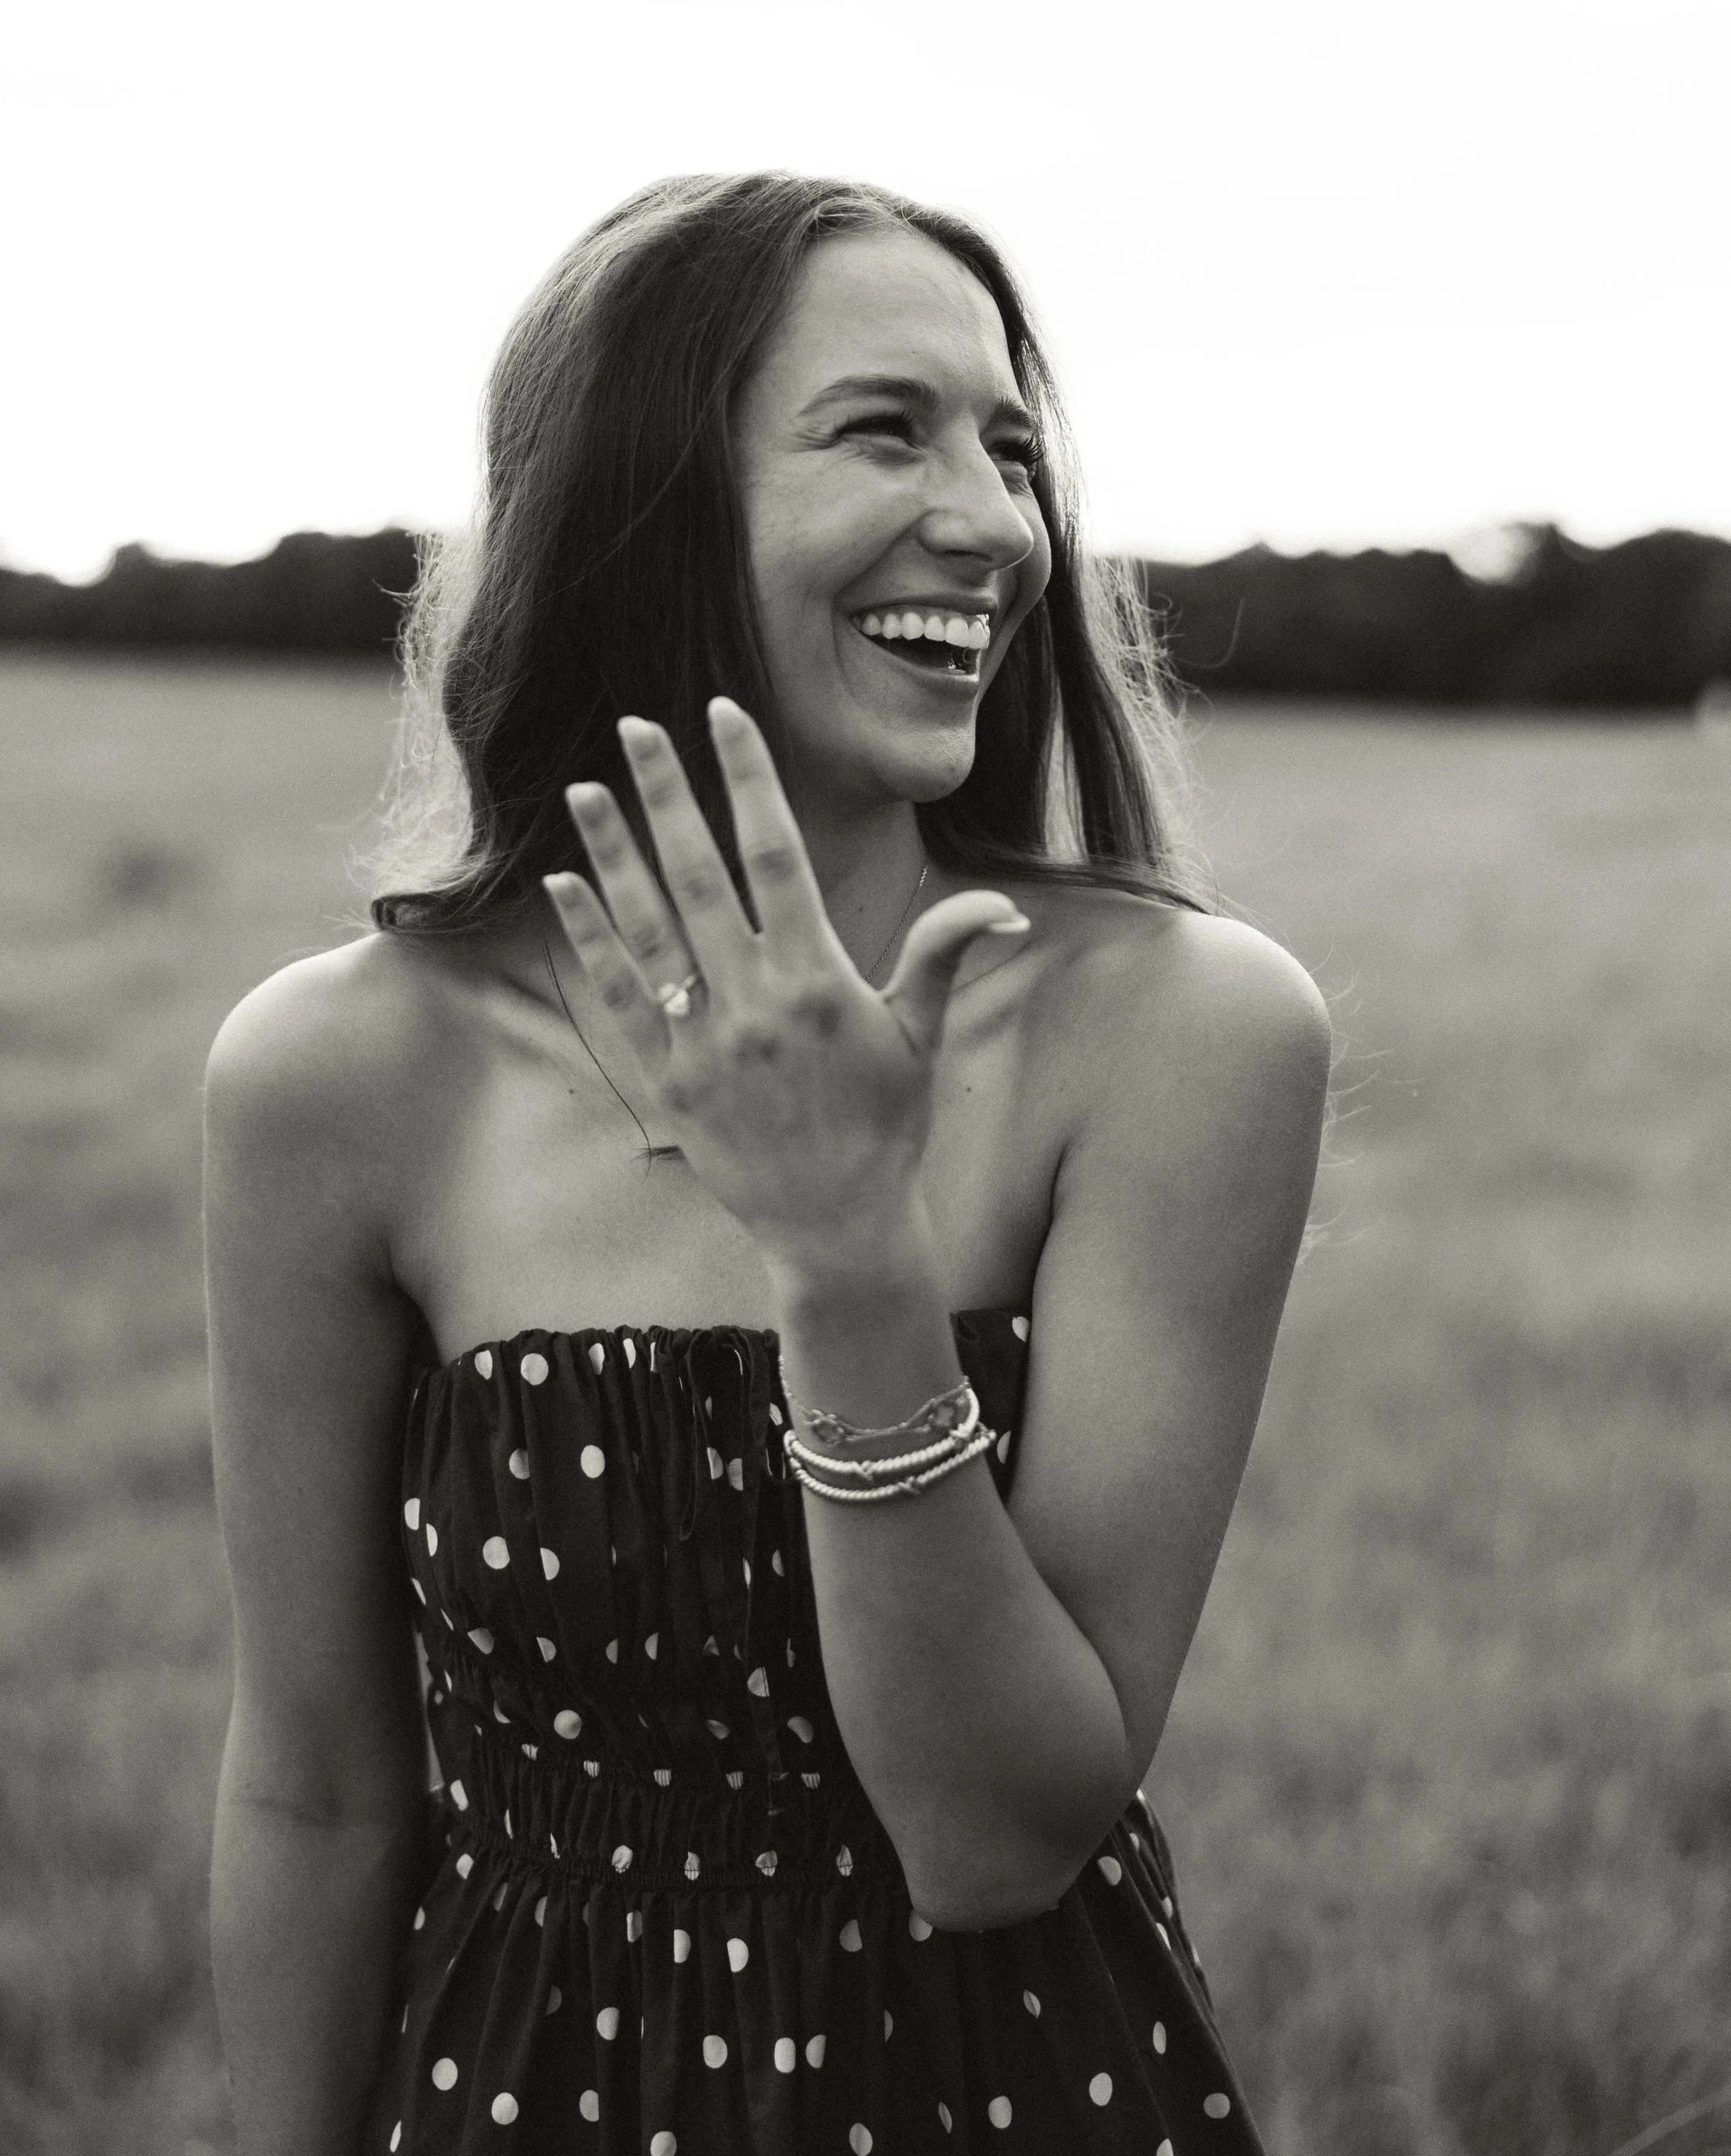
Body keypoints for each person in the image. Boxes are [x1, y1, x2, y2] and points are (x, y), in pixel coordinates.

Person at [204, 172, 1330, 2156]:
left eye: (1008, 444)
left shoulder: (1179, 1029)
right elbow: (314, 1783)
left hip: (1010, 2091)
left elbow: (992, 1836)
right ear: (643, 499)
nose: (992, 521)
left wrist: (843, 1252)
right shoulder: (336, 1074)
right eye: (881, 429)